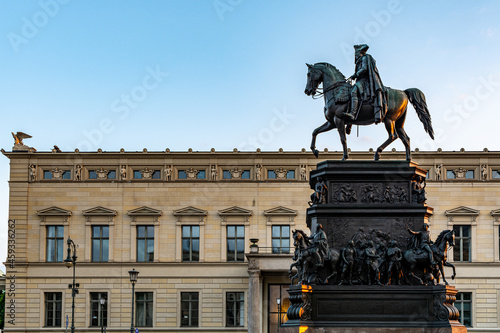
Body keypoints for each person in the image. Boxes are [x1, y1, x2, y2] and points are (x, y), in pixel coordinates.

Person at [344, 44, 387, 124]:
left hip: (364, 81)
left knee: (353, 92)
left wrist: (355, 75)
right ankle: (349, 123)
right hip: (360, 80)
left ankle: (352, 114)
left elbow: (364, 69)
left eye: (356, 54)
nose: (355, 56)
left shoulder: (364, 58)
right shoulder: (359, 60)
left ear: (360, 53)